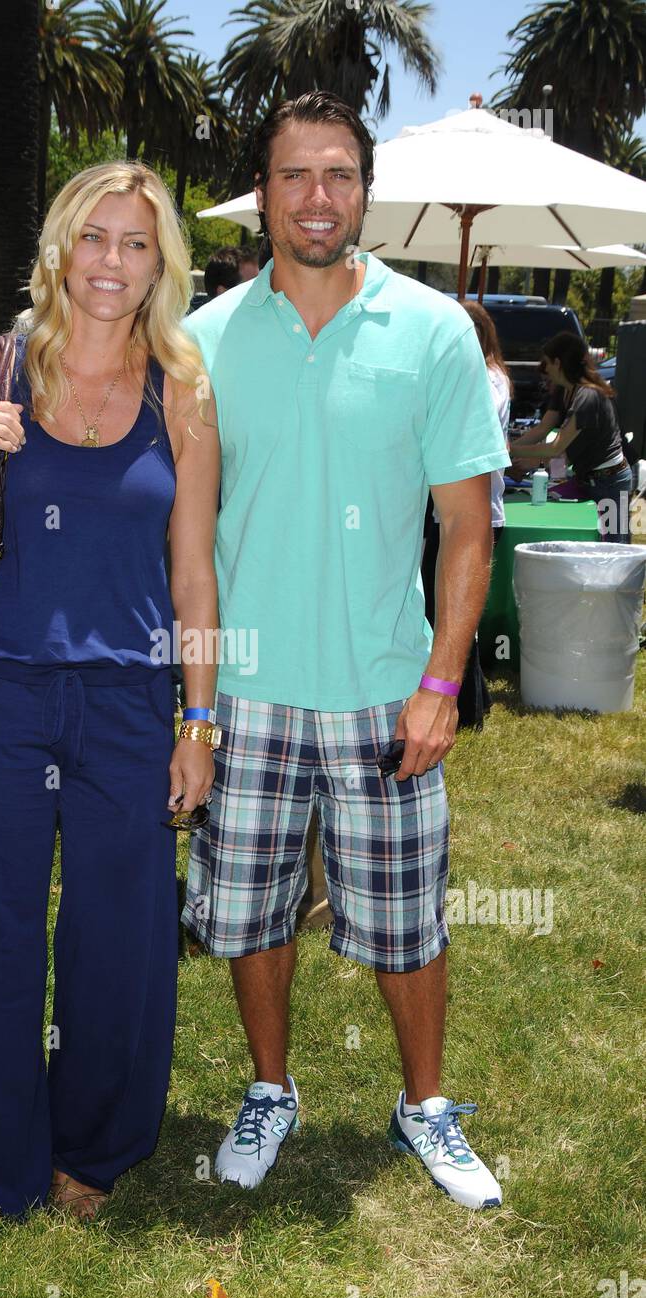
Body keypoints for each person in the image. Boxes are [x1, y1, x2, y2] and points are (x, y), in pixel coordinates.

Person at [0, 160, 220, 1221]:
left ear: (161, 265)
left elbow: (194, 570)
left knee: (121, 935)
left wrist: (196, 718)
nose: (111, 263)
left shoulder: (182, 390)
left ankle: (93, 1152)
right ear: (61, 247)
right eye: (94, 238)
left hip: (124, 701)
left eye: (136, 244)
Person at [180, 91, 509, 1211]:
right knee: (247, 912)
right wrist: (197, 697)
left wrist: (439, 683)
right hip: (249, 691)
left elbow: (468, 526)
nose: (317, 197)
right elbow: (186, 536)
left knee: (405, 921)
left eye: (338, 174)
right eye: (293, 176)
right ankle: (269, 1087)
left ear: (364, 190)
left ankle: (423, 1102)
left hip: (386, 694)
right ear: (261, 194)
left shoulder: (432, 331)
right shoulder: (203, 342)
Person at [421, 298, 512, 727]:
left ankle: (469, 706)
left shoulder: (490, 381)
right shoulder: (481, 376)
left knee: (457, 613)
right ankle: (473, 703)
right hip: (452, 509)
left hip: (477, 510)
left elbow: (475, 437)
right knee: (446, 607)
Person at [510, 331, 633, 544]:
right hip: (587, 478)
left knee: (615, 552)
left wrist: (508, 451)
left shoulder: (587, 396)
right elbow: (542, 429)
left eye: (547, 363)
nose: (544, 369)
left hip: (611, 482)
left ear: (558, 363)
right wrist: (507, 449)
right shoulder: (564, 390)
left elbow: (556, 447)